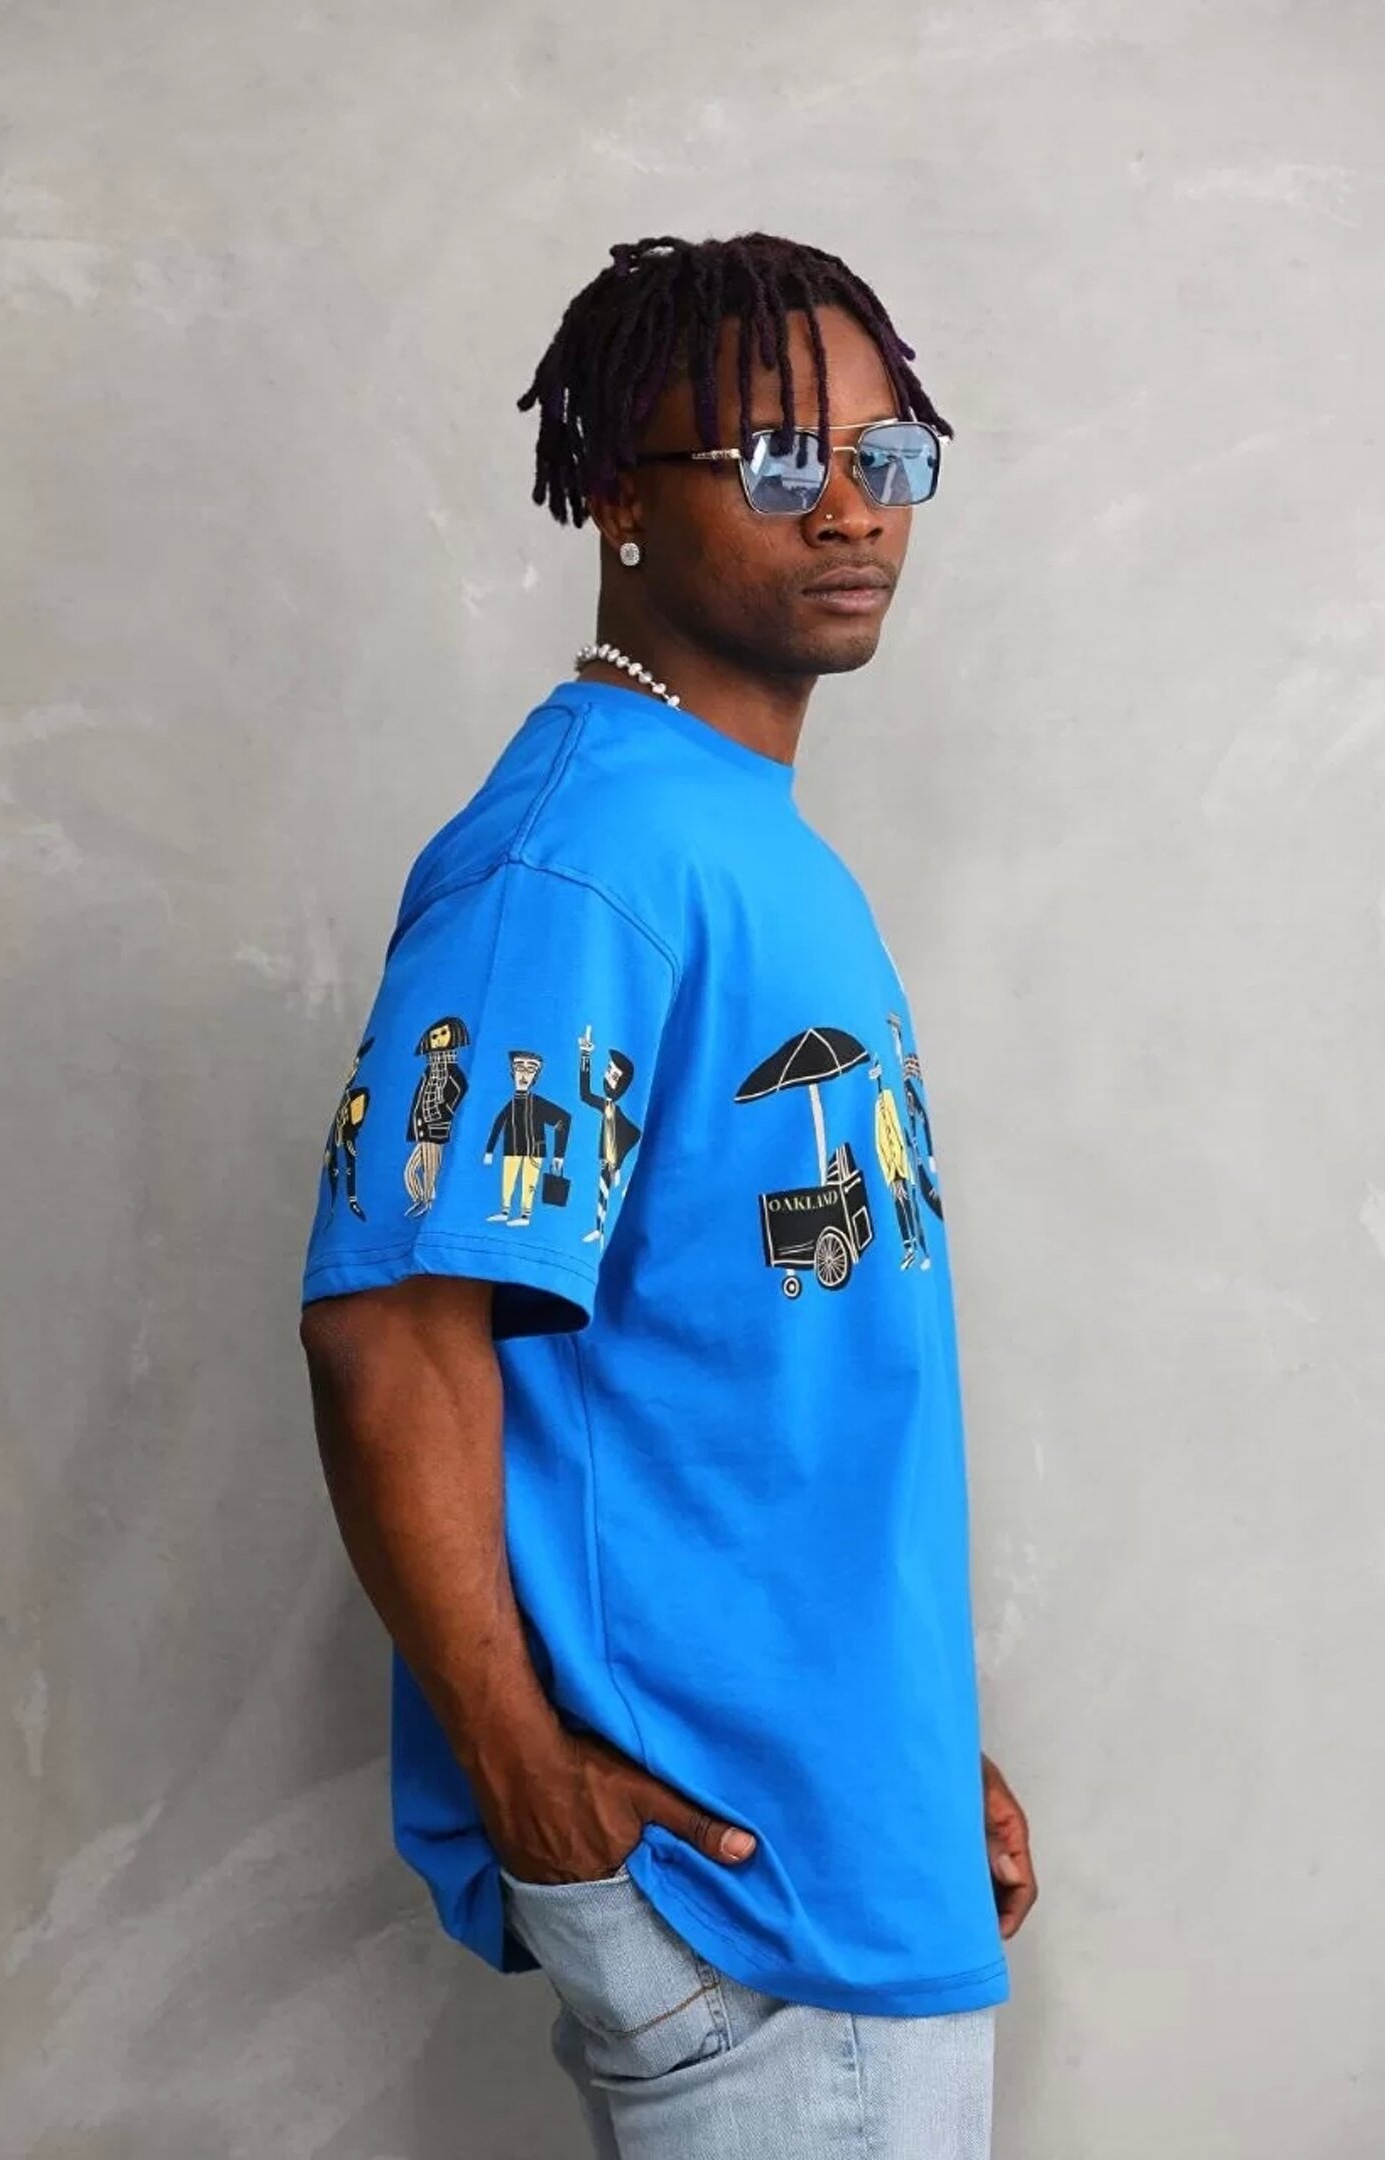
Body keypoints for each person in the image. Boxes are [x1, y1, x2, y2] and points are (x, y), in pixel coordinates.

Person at [298, 230, 1038, 2159]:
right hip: (732, 1905)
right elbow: (392, 1337)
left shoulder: (744, 840)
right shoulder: (581, 860)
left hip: (845, 1856)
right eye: (779, 462)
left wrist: (907, 1752)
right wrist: (525, 1780)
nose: (852, 509)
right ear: (618, 496)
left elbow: (765, 1388)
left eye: (887, 456)